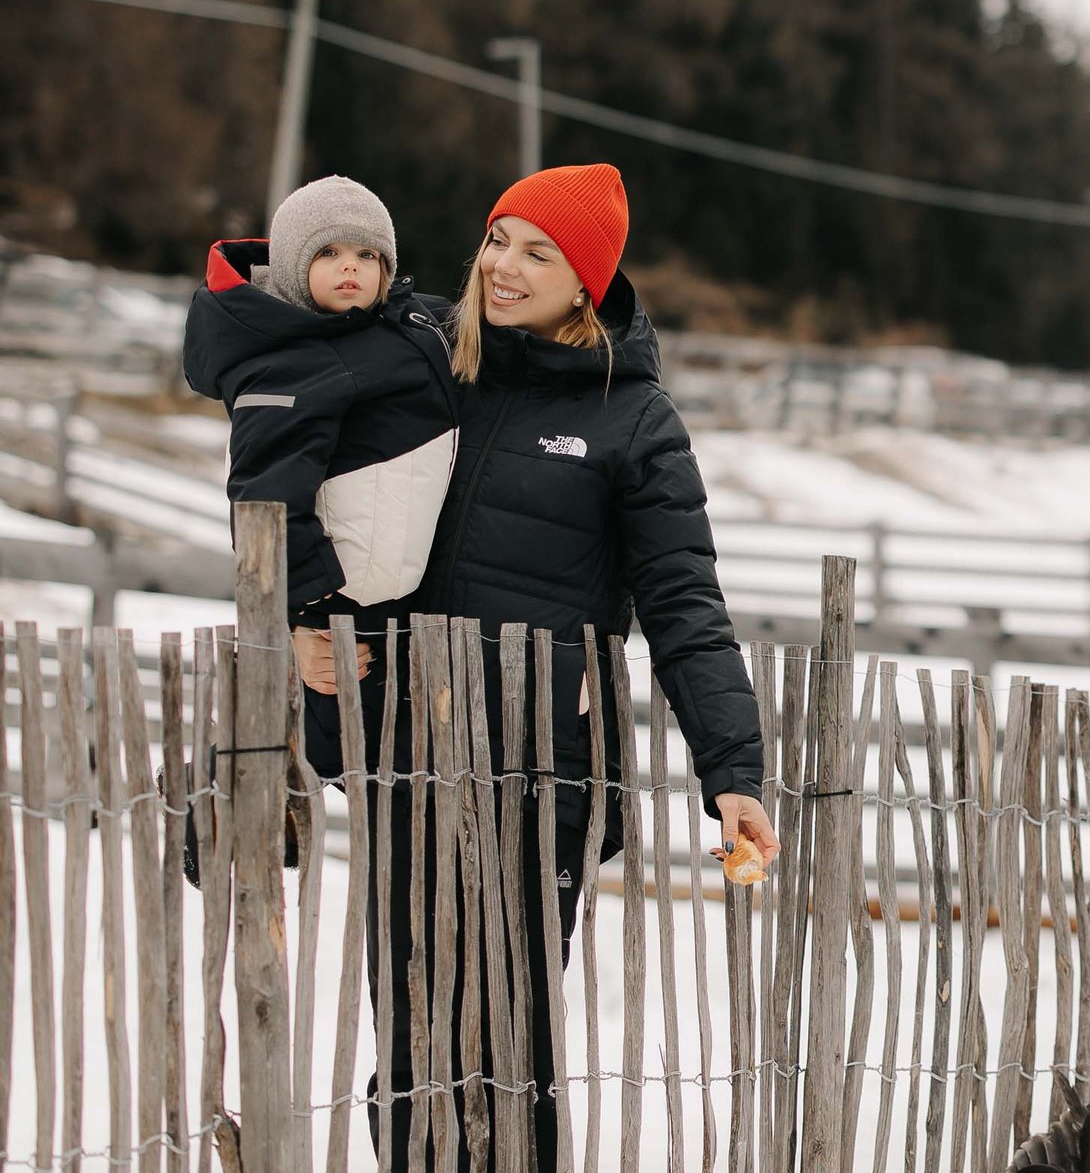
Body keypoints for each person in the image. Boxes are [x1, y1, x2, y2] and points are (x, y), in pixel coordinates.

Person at [345, 162, 780, 1168]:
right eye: (498, 237)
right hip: (411, 759)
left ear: (585, 279)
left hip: (538, 781)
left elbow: (684, 605)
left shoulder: (633, 419)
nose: (503, 266)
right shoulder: (427, 370)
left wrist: (733, 771)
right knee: (410, 1037)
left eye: (538, 252)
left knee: (504, 1045)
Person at [183, 174, 458, 780]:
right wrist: (308, 612)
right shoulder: (284, 362)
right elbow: (264, 499)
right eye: (328, 253)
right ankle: (219, 790)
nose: (351, 268)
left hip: (404, 594)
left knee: (387, 752)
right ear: (289, 266)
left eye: (367, 255)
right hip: (340, 595)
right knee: (331, 746)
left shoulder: (409, 327)